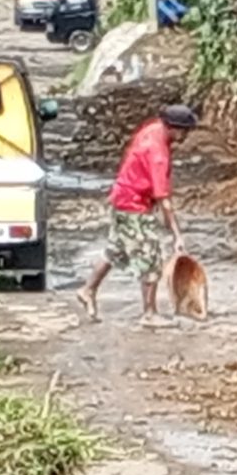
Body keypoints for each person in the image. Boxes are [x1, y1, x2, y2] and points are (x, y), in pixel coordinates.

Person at [79, 103, 196, 324]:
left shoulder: (153, 128)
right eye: (185, 131)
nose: (186, 136)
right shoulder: (158, 154)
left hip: (121, 197)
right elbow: (164, 199)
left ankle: (88, 290)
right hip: (134, 205)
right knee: (151, 256)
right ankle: (149, 313)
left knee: (115, 250)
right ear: (174, 128)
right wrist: (177, 236)